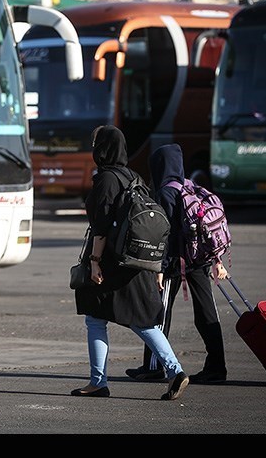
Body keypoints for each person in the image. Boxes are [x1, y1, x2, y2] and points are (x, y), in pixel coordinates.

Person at [71, 125, 189, 400]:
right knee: (142, 321)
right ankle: (175, 371)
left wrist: (95, 261)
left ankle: (98, 382)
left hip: (112, 261)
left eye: (95, 143)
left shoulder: (106, 180)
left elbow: (100, 227)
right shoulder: (133, 176)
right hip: (139, 261)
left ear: (102, 148)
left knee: (96, 318)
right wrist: (157, 267)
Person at [126, 143, 228, 384]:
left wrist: (158, 269)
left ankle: (153, 367)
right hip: (199, 259)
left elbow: (164, 235)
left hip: (174, 264)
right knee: (207, 313)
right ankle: (217, 366)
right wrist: (217, 260)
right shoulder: (190, 187)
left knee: (158, 313)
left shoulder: (165, 191)